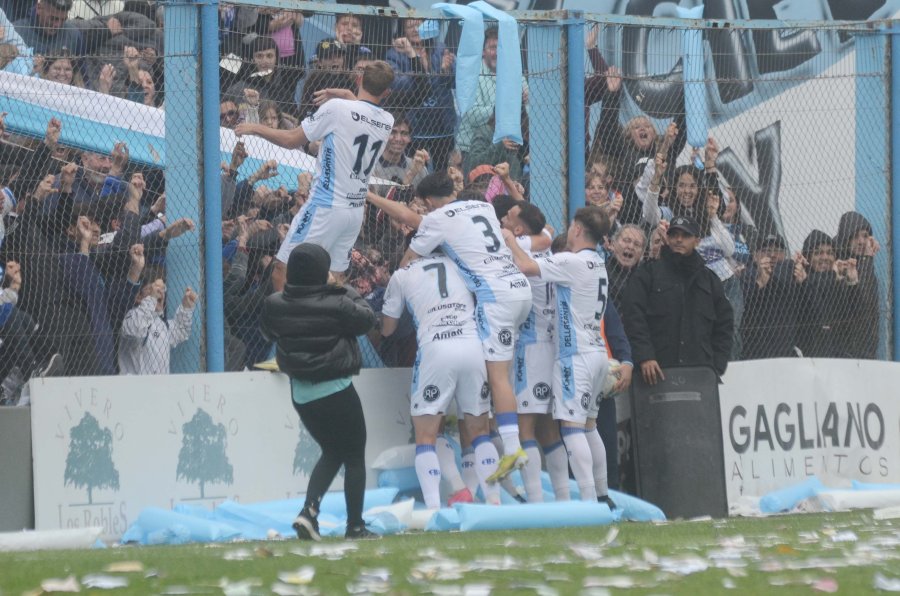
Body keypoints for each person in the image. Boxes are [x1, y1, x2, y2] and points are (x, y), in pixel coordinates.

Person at [367, 171, 533, 481]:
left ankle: (512, 448)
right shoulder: (482, 206)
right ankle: (495, 455)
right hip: (519, 289)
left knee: (497, 378)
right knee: (496, 377)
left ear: (429, 201)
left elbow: (409, 254)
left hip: (494, 298)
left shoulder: (437, 220)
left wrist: (403, 277)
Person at [236, 60, 395, 290]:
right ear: (387, 92)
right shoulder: (387, 121)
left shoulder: (337, 108)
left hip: (325, 205)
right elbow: (363, 111)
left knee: (282, 271)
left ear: (359, 79)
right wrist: (345, 94)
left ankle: (287, 314)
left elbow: (291, 140)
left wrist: (255, 128)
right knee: (334, 277)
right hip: (354, 211)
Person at [260, 243, 378, 541]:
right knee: (354, 455)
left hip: (302, 394)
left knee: (334, 450)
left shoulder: (274, 303)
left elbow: (267, 333)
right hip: (336, 389)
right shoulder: (338, 301)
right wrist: (344, 288)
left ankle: (309, 512)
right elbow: (367, 319)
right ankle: (355, 526)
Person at [503, 205, 614, 505]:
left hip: (572, 355)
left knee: (570, 428)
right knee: (588, 426)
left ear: (577, 229)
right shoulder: (598, 262)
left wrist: (510, 239)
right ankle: (602, 494)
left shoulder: (568, 261)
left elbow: (526, 265)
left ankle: (587, 501)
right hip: (596, 352)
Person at [381, 249, 501, 508]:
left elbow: (387, 329)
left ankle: (434, 508)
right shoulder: (461, 263)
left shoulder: (403, 274)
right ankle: (494, 501)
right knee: (480, 432)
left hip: (435, 349)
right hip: (472, 347)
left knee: (427, 435)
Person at [623, 216, 733, 385]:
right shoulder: (648, 273)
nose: (679, 240)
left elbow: (725, 323)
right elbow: (633, 316)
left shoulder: (709, 280)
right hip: (655, 374)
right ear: (667, 238)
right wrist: (645, 356)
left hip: (699, 374)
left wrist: (716, 365)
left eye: (686, 235)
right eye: (674, 234)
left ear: (697, 241)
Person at [385, 17, 456, 170]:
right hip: (414, 126)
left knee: (442, 171)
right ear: (403, 30)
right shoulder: (394, 54)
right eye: (410, 26)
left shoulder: (440, 49)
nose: (415, 29)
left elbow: (454, 82)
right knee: (415, 169)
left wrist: (445, 71)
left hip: (441, 123)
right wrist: (420, 70)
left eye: (419, 25)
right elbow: (398, 85)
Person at [119, 279, 198, 375]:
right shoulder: (132, 316)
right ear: (138, 297)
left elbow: (180, 331)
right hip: (136, 384)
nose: (159, 292)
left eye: (162, 289)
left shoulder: (162, 324)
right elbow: (136, 329)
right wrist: (152, 299)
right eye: (151, 289)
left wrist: (186, 308)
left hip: (161, 384)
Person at [833, 211, 880, 359]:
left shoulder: (864, 262)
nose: (861, 241)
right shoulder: (835, 259)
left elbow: (868, 300)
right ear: (845, 237)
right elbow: (859, 300)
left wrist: (867, 258)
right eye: (855, 236)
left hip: (864, 349)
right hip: (840, 349)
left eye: (865, 236)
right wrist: (867, 259)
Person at [13, 0, 83, 57]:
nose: (58, 25)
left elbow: (81, 68)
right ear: (39, 8)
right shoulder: (15, 32)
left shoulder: (73, 35)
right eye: (53, 18)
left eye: (63, 20)